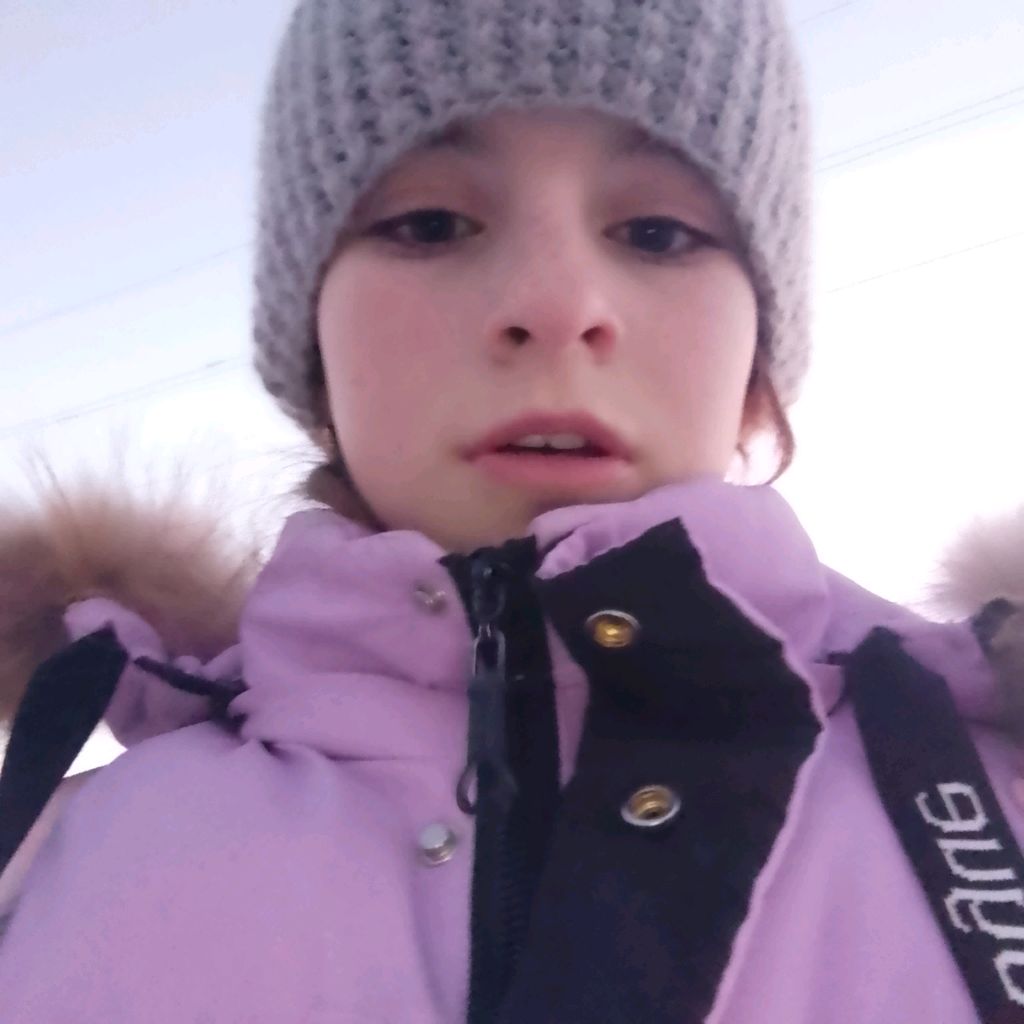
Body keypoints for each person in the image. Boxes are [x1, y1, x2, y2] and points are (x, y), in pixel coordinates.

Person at [1, 0, 1023, 1020]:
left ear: (757, 353)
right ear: (312, 344)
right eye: (431, 224)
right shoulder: (47, 864)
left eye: (658, 232)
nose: (555, 303)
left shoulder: (991, 810)